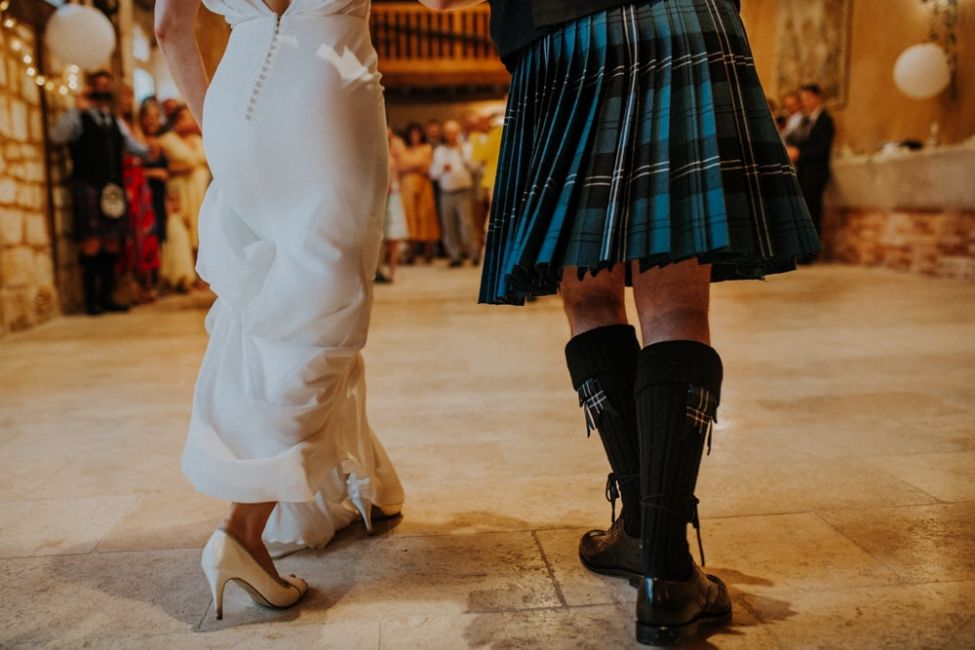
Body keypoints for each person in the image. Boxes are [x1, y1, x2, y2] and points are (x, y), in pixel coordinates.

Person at [422, 0, 819, 645]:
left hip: (564, 43)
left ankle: (646, 536)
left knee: (590, 300)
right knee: (677, 306)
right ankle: (663, 568)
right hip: (685, 24)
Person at [156, 0, 404, 621]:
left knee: (268, 295)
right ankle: (242, 530)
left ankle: (352, 475)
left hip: (234, 102)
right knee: (323, 303)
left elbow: (168, 28)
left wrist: (219, 128)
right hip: (328, 87)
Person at [50, 71, 155, 315]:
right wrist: (77, 109)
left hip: (113, 186)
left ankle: (108, 296)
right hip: (87, 183)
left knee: (112, 240)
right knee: (91, 240)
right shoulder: (79, 117)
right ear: (90, 89)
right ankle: (91, 300)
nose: (102, 92)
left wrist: (151, 149)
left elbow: (134, 147)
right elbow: (57, 136)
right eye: (97, 87)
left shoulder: (115, 121)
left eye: (106, 87)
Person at [158, 106, 210, 255]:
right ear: (177, 121)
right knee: (185, 229)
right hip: (180, 190)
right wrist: (181, 168)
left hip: (200, 190)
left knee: (202, 227)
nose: (192, 119)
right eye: (187, 117)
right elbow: (162, 166)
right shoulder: (166, 140)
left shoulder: (198, 139)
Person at [429, 120, 480, 267]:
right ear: (444, 135)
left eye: (454, 132)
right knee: (449, 226)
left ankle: (474, 253)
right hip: (446, 192)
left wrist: (461, 153)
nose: (451, 136)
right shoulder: (439, 151)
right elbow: (432, 173)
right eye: (448, 133)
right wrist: (442, 169)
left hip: (463, 191)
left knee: (467, 224)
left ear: (458, 133)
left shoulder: (467, 147)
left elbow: (475, 168)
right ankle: (455, 256)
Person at [788, 84, 835, 236]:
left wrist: (799, 154)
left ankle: (813, 246)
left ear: (817, 98)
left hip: (816, 173)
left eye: (808, 98)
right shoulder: (804, 120)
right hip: (803, 172)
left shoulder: (825, 120)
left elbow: (822, 149)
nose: (805, 102)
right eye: (803, 99)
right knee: (804, 212)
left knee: (813, 212)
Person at [399, 123, 440, 264]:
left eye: (417, 134)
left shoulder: (426, 148)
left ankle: (428, 252)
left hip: (424, 187)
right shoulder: (404, 150)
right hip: (407, 190)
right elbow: (399, 167)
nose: (415, 137)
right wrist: (415, 166)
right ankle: (411, 253)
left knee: (426, 217)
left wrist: (409, 167)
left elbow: (426, 166)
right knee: (410, 218)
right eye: (412, 134)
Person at [378, 128, 410, 284]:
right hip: (381, 198)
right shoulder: (377, 153)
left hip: (393, 196)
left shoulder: (395, 153)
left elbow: (403, 164)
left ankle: (392, 271)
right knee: (379, 237)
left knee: (395, 237)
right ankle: (378, 271)